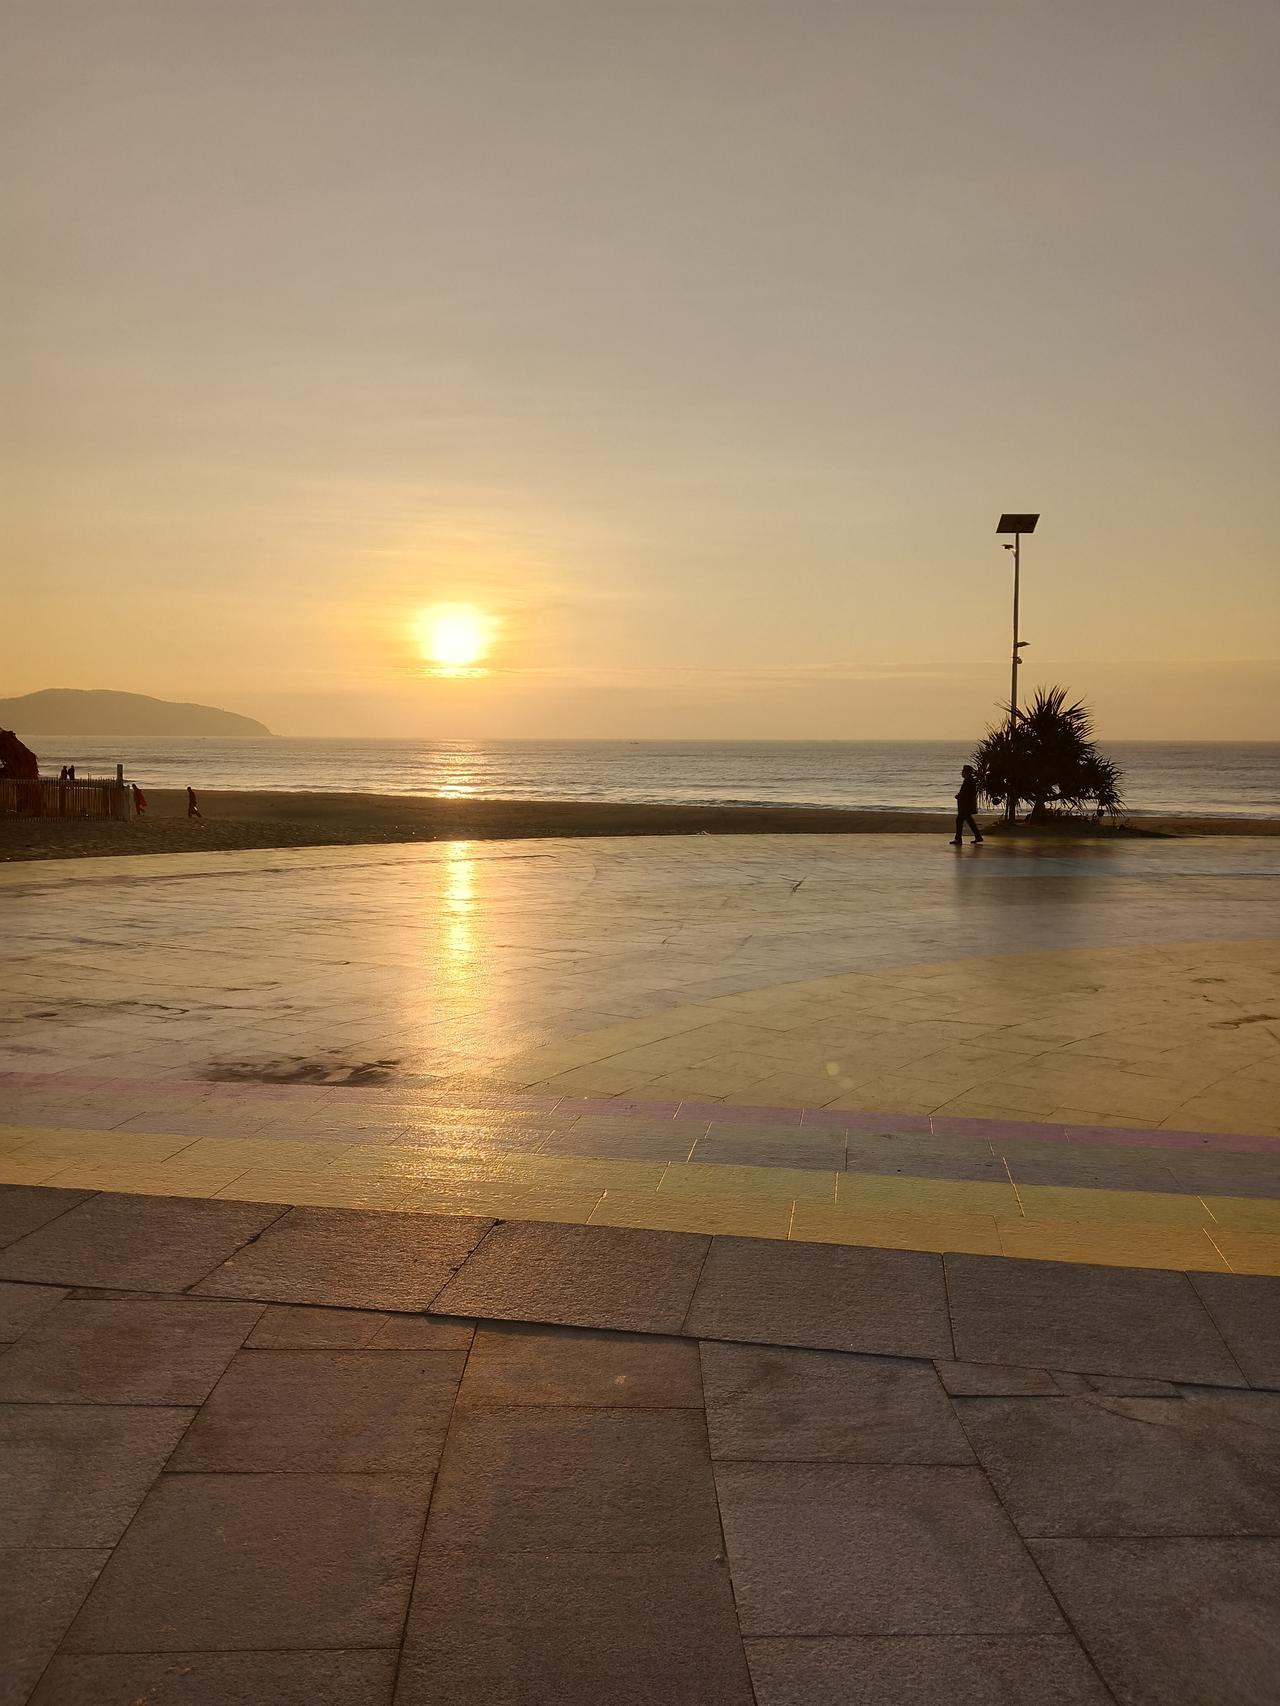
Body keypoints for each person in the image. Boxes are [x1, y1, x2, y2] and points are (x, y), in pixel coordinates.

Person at [951, 764, 984, 846]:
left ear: (965, 772)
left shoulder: (968, 781)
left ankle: (958, 839)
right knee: (969, 821)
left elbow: (966, 793)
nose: (961, 773)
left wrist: (958, 796)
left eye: (963, 771)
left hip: (966, 805)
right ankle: (978, 836)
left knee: (959, 820)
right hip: (968, 805)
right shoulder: (970, 780)